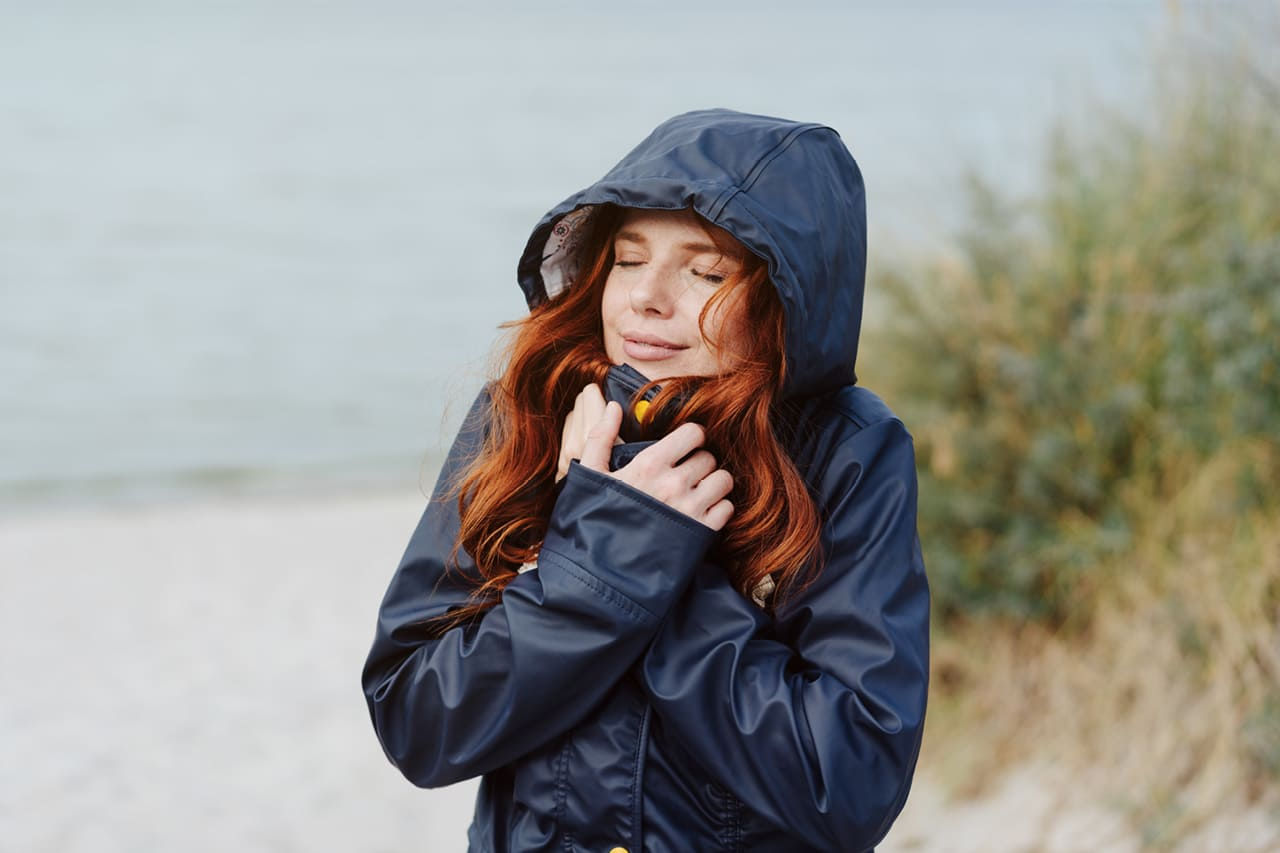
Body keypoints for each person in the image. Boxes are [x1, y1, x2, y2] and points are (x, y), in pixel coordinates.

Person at [361, 108, 930, 852]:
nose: (645, 297)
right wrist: (602, 558)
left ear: (790, 296)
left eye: (706, 272)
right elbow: (418, 720)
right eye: (628, 259)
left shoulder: (848, 453)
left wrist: (644, 560)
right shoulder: (530, 409)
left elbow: (845, 783)